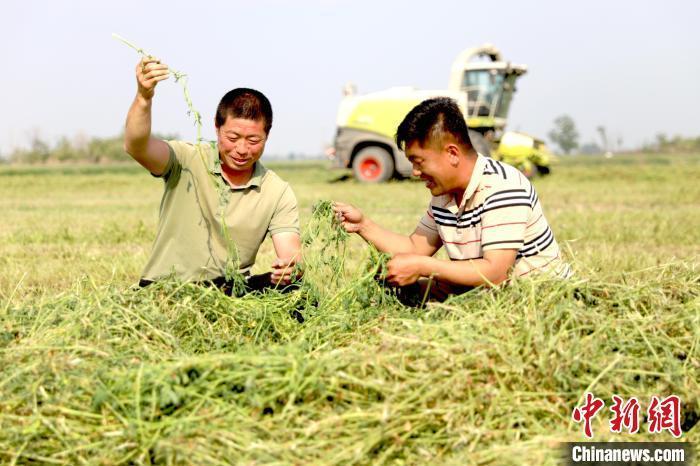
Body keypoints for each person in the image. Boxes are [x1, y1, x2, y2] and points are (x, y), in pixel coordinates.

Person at [333, 97, 570, 303]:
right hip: (483, 297)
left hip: (535, 298)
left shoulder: (503, 186)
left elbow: (496, 273)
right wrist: (363, 225)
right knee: (393, 286)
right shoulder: (444, 196)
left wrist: (424, 267)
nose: (415, 172)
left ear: (452, 153)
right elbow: (415, 248)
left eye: (419, 161)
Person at [124, 56, 301, 293]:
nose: (241, 149)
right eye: (232, 138)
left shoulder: (277, 191)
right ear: (216, 128)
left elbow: (291, 255)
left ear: (266, 136)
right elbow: (137, 145)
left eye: (253, 140)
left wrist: (289, 268)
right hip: (168, 288)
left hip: (229, 290)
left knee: (297, 293)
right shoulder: (186, 159)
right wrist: (144, 97)